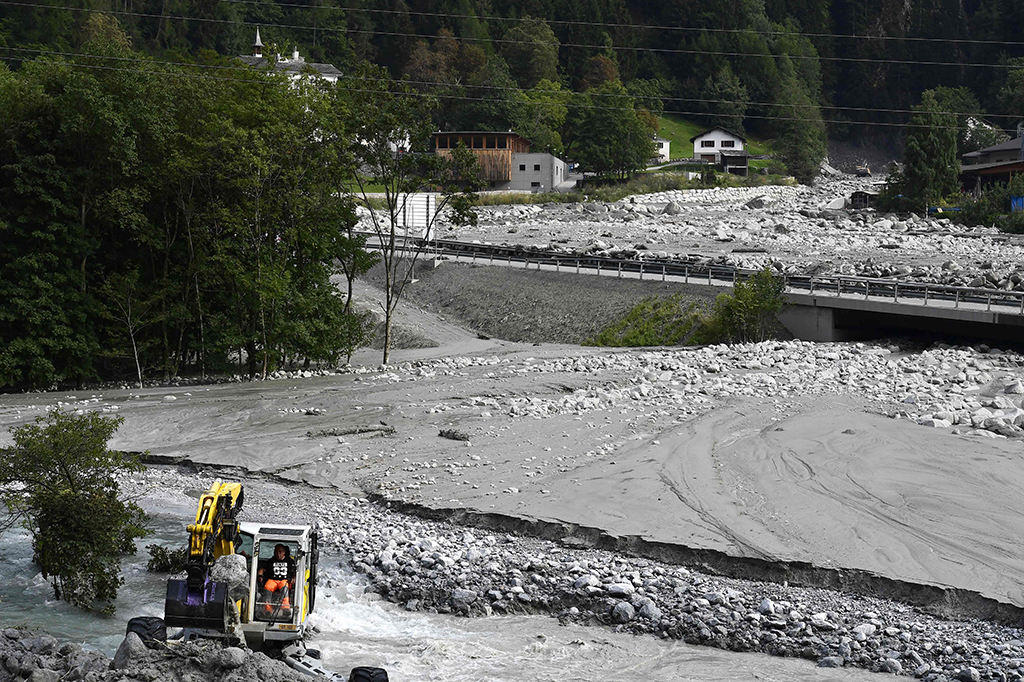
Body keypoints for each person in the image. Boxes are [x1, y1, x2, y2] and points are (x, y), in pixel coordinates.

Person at [257, 544, 295, 613]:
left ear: (284, 552)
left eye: (280, 551)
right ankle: (267, 609)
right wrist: (260, 575)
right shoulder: (270, 561)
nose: (278, 554)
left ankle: (285, 608)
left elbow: (295, 571)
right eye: (276, 551)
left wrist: (294, 578)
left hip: (284, 580)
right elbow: (262, 570)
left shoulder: (290, 561)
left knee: (285, 588)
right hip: (272, 580)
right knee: (267, 588)